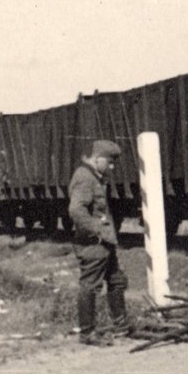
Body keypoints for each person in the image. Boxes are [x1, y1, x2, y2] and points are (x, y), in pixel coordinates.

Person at [67, 138, 129, 345]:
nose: (111, 167)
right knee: (90, 285)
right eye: (109, 162)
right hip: (93, 244)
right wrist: (98, 230)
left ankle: (121, 327)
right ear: (98, 159)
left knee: (116, 280)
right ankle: (87, 333)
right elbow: (76, 210)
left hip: (104, 242)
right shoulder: (85, 178)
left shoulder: (94, 176)